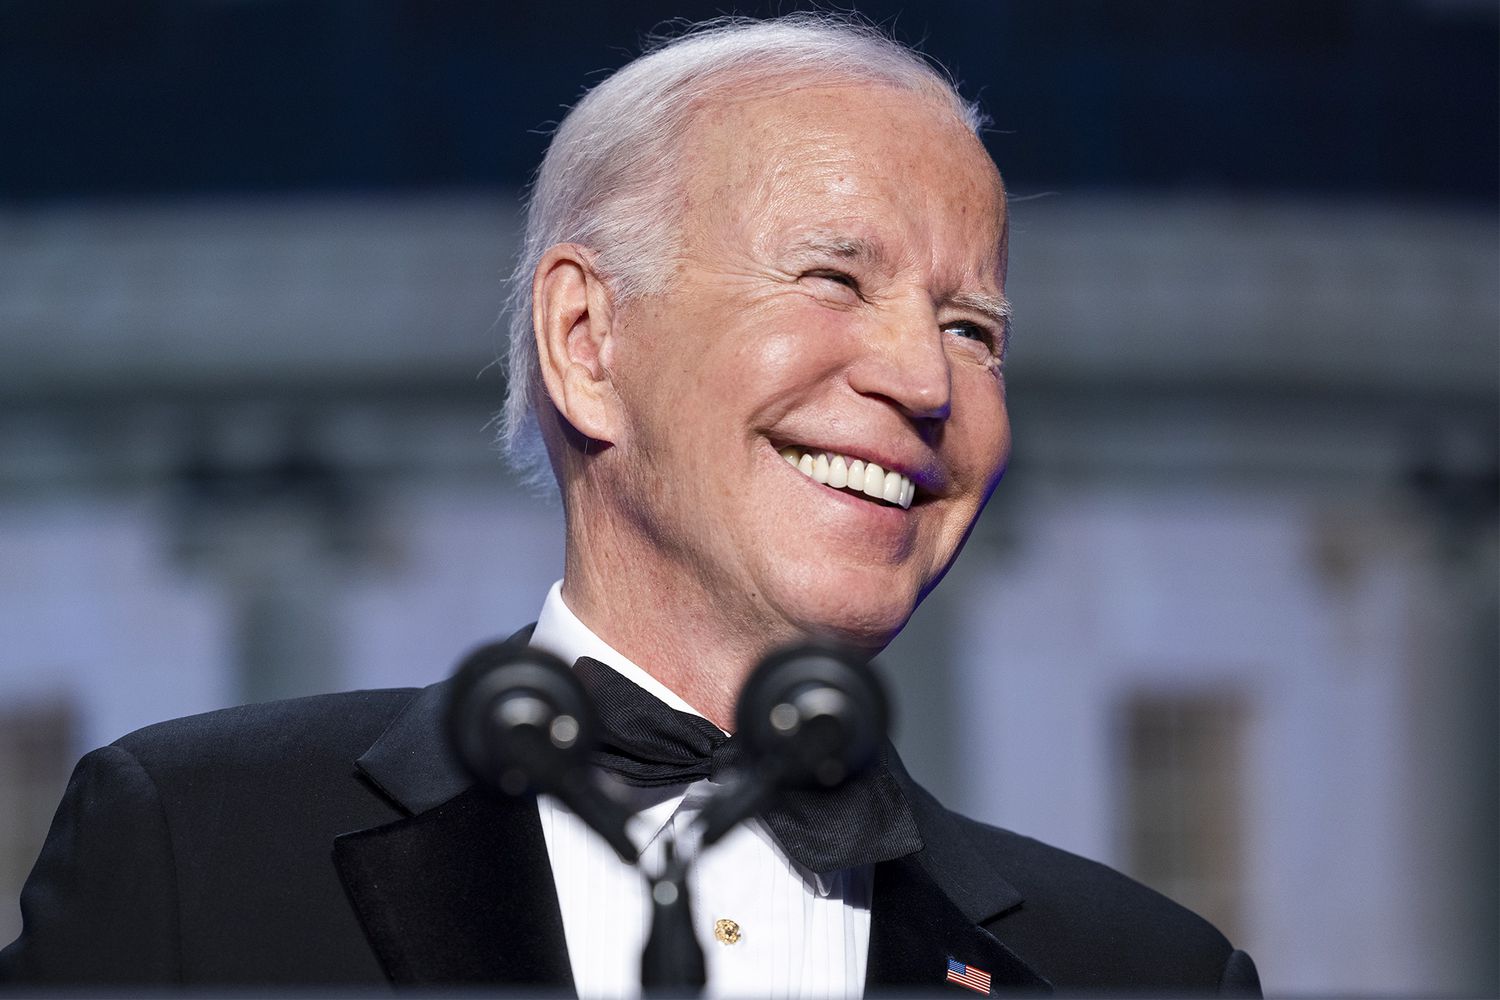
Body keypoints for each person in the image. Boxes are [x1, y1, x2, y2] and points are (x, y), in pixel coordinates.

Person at [1, 15, 1261, 996]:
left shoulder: (1145, 972)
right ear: (587, 339)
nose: (928, 380)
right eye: (833, 276)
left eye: (973, 326)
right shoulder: (200, 853)